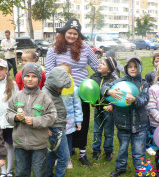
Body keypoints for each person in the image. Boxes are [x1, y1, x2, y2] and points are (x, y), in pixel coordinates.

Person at [45, 18, 117, 166]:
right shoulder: (53, 49)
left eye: (75, 34)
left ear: (79, 35)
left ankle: (82, 153)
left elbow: (97, 65)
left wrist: (115, 78)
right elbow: (48, 71)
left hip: (83, 91)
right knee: (64, 122)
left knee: (81, 121)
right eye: (70, 33)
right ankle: (65, 150)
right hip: (62, 93)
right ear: (64, 33)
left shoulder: (84, 47)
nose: (72, 36)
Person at [6, 62, 57, 177]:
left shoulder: (45, 98)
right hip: (20, 144)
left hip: (39, 144)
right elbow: (8, 113)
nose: (30, 79)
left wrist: (35, 121)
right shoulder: (16, 96)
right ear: (23, 77)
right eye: (27, 76)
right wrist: (15, 117)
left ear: (39, 78)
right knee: (21, 172)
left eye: (34, 76)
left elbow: (52, 116)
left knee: (40, 173)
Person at [101, 56, 149, 177]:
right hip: (123, 123)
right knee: (122, 148)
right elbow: (104, 87)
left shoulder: (143, 83)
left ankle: (140, 169)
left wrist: (135, 99)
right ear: (126, 68)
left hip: (140, 124)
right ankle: (120, 167)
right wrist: (109, 91)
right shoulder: (120, 81)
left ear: (140, 68)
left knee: (139, 150)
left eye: (135, 66)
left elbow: (145, 99)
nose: (133, 69)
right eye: (130, 67)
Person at [42, 66, 71, 177]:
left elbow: (58, 109)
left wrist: (63, 125)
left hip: (59, 126)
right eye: (60, 87)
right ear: (54, 83)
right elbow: (41, 113)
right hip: (54, 128)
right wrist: (46, 128)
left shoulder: (53, 91)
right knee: (64, 157)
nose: (62, 90)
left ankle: (47, 173)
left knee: (54, 153)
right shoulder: (46, 95)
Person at [90, 57, 117, 162]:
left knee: (109, 132)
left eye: (103, 64)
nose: (99, 65)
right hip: (97, 109)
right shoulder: (94, 77)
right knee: (96, 131)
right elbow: (91, 90)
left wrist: (112, 105)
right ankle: (96, 151)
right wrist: (92, 101)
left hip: (108, 111)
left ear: (109, 70)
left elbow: (117, 96)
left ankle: (108, 151)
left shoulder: (114, 81)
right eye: (100, 63)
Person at [60, 63, 83, 169]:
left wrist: (78, 121)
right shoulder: (54, 88)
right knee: (57, 140)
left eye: (66, 73)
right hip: (57, 120)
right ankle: (58, 157)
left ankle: (67, 159)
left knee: (68, 140)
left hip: (69, 120)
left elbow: (77, 106)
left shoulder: (74, 89)